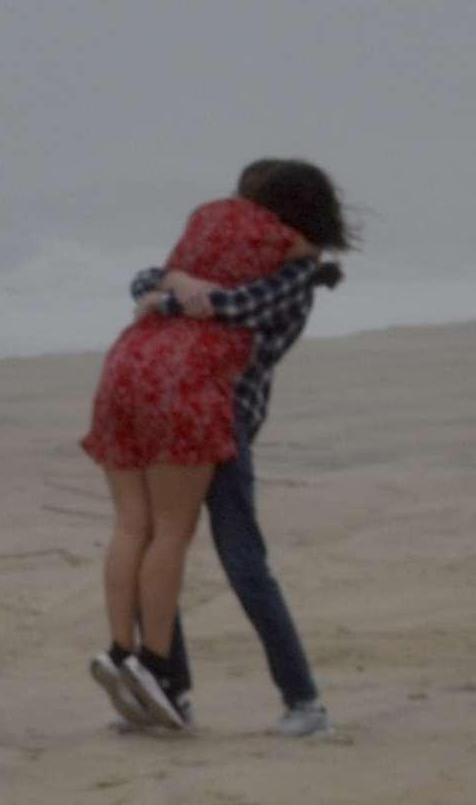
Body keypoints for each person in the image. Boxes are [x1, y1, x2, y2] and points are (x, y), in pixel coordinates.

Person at [78, 163, 347, 735]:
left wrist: (172, 297)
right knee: (159, 539)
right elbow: (145, 278)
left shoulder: (296, 274)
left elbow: (238, 306)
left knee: (241, 563)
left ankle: (304, 703)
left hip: (225, 422)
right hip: (190, 406)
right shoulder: (231, 259)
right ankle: (166, 686)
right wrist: (175, 281)